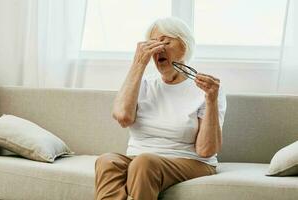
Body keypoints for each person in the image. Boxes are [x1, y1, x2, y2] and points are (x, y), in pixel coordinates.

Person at [95, 17, 227, 200]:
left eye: (166, 41)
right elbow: (123, 117)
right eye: (154, 44)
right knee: (107, 161)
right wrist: (138, 64)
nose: (159, 49)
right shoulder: (143, 83)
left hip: (190, 161)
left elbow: (205, 150)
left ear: (185, 45)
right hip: (140, 159)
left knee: (144, 162)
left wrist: (211, 101)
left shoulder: (205, 90)